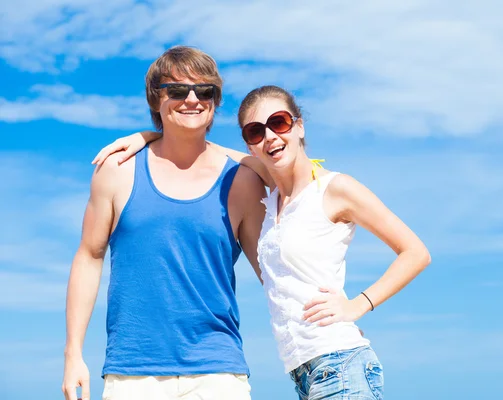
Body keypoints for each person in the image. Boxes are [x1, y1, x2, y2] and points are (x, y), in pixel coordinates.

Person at [96, 85, 431, 399]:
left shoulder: (334, 189)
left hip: (341, 362)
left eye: (279, 123)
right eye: (255, 132)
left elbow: (415, 252)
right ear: (249, 144)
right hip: (305, 371)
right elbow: (214, 154)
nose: (270, 136)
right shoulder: (270, 200)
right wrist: (153, 137)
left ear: (299, 126)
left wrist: (358, 304)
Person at [61, 46, 267, 400]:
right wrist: (73, 355)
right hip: (131, 373)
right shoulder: (116, 171)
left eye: (204, 92)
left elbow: (273, 270)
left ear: (215, 102)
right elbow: (89, 257)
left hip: (218, 372)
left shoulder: (244, 182)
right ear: (156, 99)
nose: (192, 99)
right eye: (176, 90)